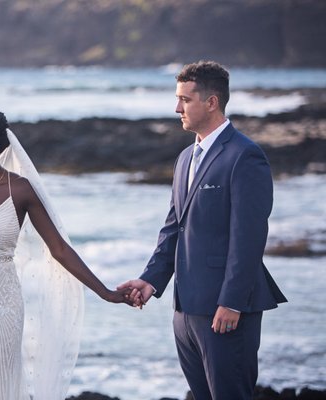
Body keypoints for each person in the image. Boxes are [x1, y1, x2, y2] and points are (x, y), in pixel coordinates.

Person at [0, 104, 131, 400]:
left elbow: (60, 249)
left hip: (3, 310)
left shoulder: (21, 191)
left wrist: (105, 292)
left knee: (0, 387)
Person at [120, 61, 287, 400]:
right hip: (185, 310)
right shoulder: (185, 158)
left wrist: (232, 301)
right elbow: (173, 229)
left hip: (225, 311)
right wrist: (150, 280)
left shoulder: (245, 156)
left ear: (212, 102)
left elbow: (249, 238)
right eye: (177, 98)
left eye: (186, 99)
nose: (177, 107)